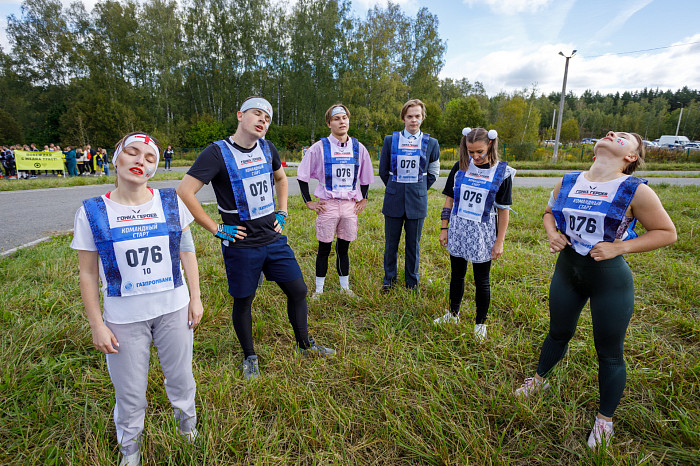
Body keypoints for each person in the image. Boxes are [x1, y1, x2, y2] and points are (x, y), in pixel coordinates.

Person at [514, 131, 676, 448]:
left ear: (631, 156)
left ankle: (604, 420)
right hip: (567, 270)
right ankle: (539, 381)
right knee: (558, 332)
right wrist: (552, 234)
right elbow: (549, 214)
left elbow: (666, 233)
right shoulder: (569, 179)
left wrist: (621, 249)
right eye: (610, 132)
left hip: (608, 278)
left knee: (609, 351)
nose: (612, 133)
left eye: (624, 137)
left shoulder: (636, 190)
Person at [177, 96, 335, 380]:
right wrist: (216, 228)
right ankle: (250, 356)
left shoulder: (267, 148)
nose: (263, 120)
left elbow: (281, 179)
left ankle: (304, 345)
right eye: (257, 114)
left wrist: (283, 212)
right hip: (241, 244)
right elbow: (185, 191)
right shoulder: (216, 152)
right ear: (240, 115)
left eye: (268, 118)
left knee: (298, 291)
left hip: (273, 239)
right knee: (244, 301)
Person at [72, 132, 202, 466]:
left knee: (181, 378)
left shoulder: (171, 202)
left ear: (155, 168)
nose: (139, 162)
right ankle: (130, 451)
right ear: (116, 158)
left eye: (148, 158)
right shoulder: (92, 211)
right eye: (132, 153)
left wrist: (196, 297)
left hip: (174, 309)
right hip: (124, 319)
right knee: (130, 393)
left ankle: (188, 431)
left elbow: (187, 251)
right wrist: (97, 324)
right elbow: (87, 273)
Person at [434, 128, 514, 341]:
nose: (475, 157)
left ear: (490, 145)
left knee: (482, 280)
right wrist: (444, 228)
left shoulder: (502, 172)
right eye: (471, 152)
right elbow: (449, 200)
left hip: (483, 233)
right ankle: (452, 314)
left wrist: (500, 241)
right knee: (456, 275)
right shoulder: (460, 168)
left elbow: (503, 212)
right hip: (459, 229)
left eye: (479, 151)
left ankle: (480, 324)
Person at [297, 104, 374, 299]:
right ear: (329, 123)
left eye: (344, 118)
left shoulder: (358, 147)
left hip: (349, 206)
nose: (342, 122)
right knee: (324, 248)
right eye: (337, 119)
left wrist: (364, 198)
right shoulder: (319, 147)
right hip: (328, 205)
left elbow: (365, 176)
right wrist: (309, 202)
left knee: (343, 248)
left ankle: (345, 288)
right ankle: (319, 290)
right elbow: (302, 175)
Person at [379, 99, 440, 291]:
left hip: (417, 201)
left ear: (422, 118)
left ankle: (411, 283)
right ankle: (389, 280)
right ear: (403, 118)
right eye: (410, 116)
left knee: (413, 245)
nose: (414, 120)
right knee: (391, 244)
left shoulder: (432, 143)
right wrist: (395, 188)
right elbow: (383, 170)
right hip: (393, 199)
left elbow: (433, 173)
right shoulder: (391, 140)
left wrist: (419, 189)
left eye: (417, 116)